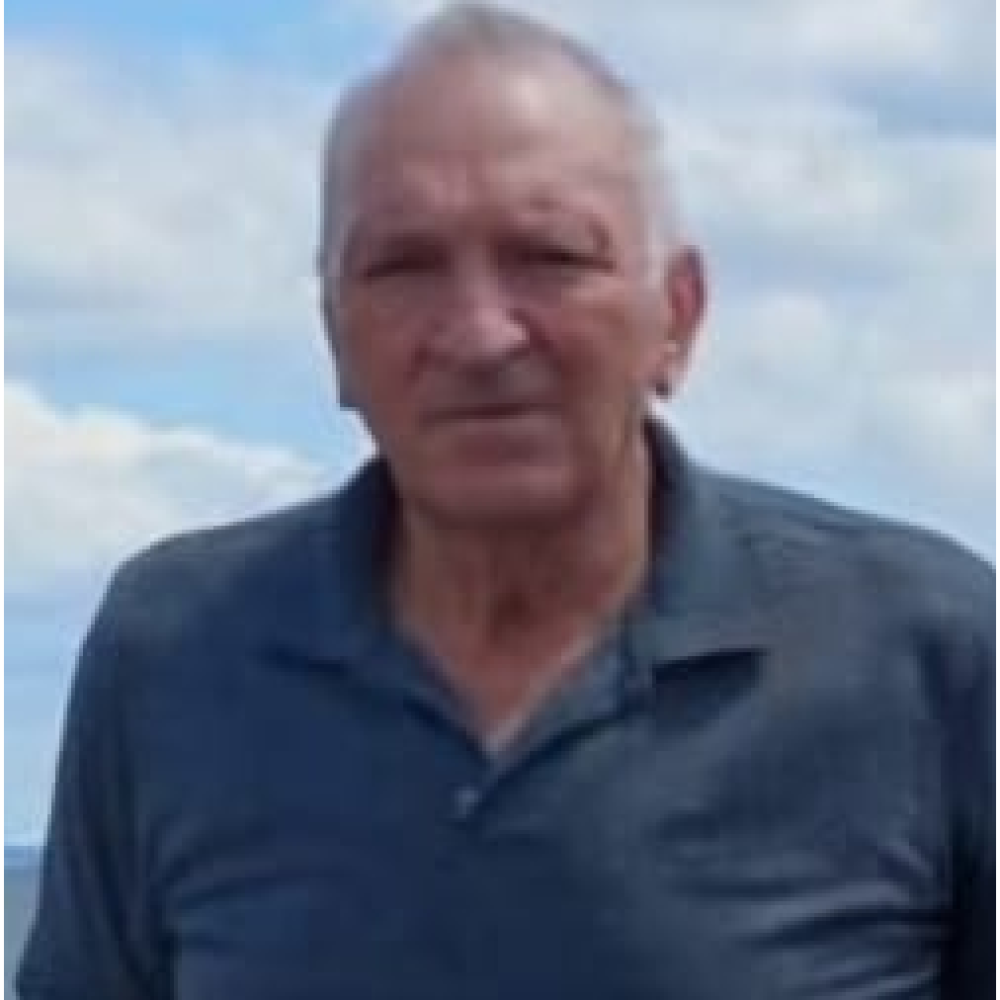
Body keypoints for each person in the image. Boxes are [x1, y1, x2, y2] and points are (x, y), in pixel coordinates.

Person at [17, 5, 994, 999]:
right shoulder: (180, 653)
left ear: (677, 317)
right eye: (404, 266)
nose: (480, 335)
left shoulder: (924, 653)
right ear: (336, 335)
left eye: (551, 257)